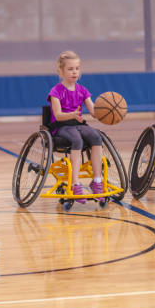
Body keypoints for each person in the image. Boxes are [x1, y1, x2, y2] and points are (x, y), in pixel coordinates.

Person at [47, 50, 103, 203]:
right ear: (61, 71)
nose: (74, 72)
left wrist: (106, 112)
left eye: (77, 69)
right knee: (77, 140)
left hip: (77, 124)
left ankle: (97, 181)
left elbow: (93, 111)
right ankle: (75, 184)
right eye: (70, 69)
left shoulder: (82, 90)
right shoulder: (56, 91)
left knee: (96, 136)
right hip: (62, 126)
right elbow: (57, 115)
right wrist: (72, 114)